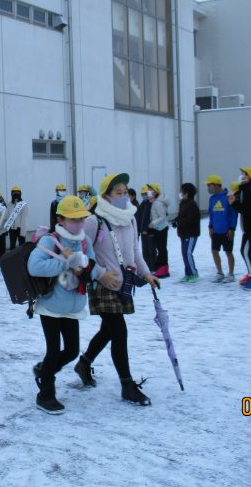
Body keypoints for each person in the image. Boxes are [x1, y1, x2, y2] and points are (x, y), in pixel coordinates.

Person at [83, 173, 161, 406]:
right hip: (103, 284)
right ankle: (127, 385)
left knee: (109, 330)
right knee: (119, 330)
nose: (123, 196)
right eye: (118, 192)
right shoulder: (93, 221)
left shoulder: (130, 218)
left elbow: (135, 252)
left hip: (123, 283)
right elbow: (81, 254)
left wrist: (146, 274)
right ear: (106, 195)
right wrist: (101, 274)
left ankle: (84, 364)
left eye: (125, 192)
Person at [28, 195, 97, 414]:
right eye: (73, 219)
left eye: (81, 219)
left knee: (72, 350)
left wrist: (85, 268)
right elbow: (34, 266)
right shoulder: (50, 240)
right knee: (53, 351)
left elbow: (93, 266)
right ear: (61, 219)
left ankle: (44, 372)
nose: (79, 223)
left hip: (72, 306)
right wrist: (65, 262)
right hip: (51, 305)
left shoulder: (84, 241)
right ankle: (45, 395)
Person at [205, 174, 237, 283]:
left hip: (227, 231)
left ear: (216, 185)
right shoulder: (212, 199)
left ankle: (231, 274)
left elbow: (234, 214)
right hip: (216, 230)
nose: (208, 187)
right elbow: (211, 214)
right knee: (214, 251)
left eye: (209, 185)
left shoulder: (228, 197)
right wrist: (210, 227)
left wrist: (232, 228)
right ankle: (219, 273)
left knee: (228, 252)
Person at [172, 183, 201, 283]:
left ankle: (194, 273)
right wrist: (175, 220)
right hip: (183, 233)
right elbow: (181, 216)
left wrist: (179, 222)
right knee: (184, 254)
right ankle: (188, 273)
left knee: (188, 254)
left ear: (187, 193)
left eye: (182, 191)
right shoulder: (183, 203)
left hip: (191, 233)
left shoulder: (192, 204)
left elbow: (192, 220)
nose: (180, 193)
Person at [147, 183, 170, 278]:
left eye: (150, 190)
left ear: (155, 192)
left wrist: (153, 223)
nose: (148, 192)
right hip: (159, 228)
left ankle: (163, 270)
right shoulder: (155, 201)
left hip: (161, 228)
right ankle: (163, 268)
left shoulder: (157, 203)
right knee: (161, 248)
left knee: (161, 249)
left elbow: (162, 217)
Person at [136, 185, 155, 272]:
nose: (144, 196)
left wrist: (146, 229)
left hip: (150, 232)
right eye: (142, 194)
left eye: (145, 194)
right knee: (145, 251)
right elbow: (139, 218)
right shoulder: (142, 205)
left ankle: (153, 268)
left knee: (151, 250)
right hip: (142, 232)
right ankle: (146, 268)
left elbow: (150, 219)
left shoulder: (152, 204)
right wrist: (139, 229)